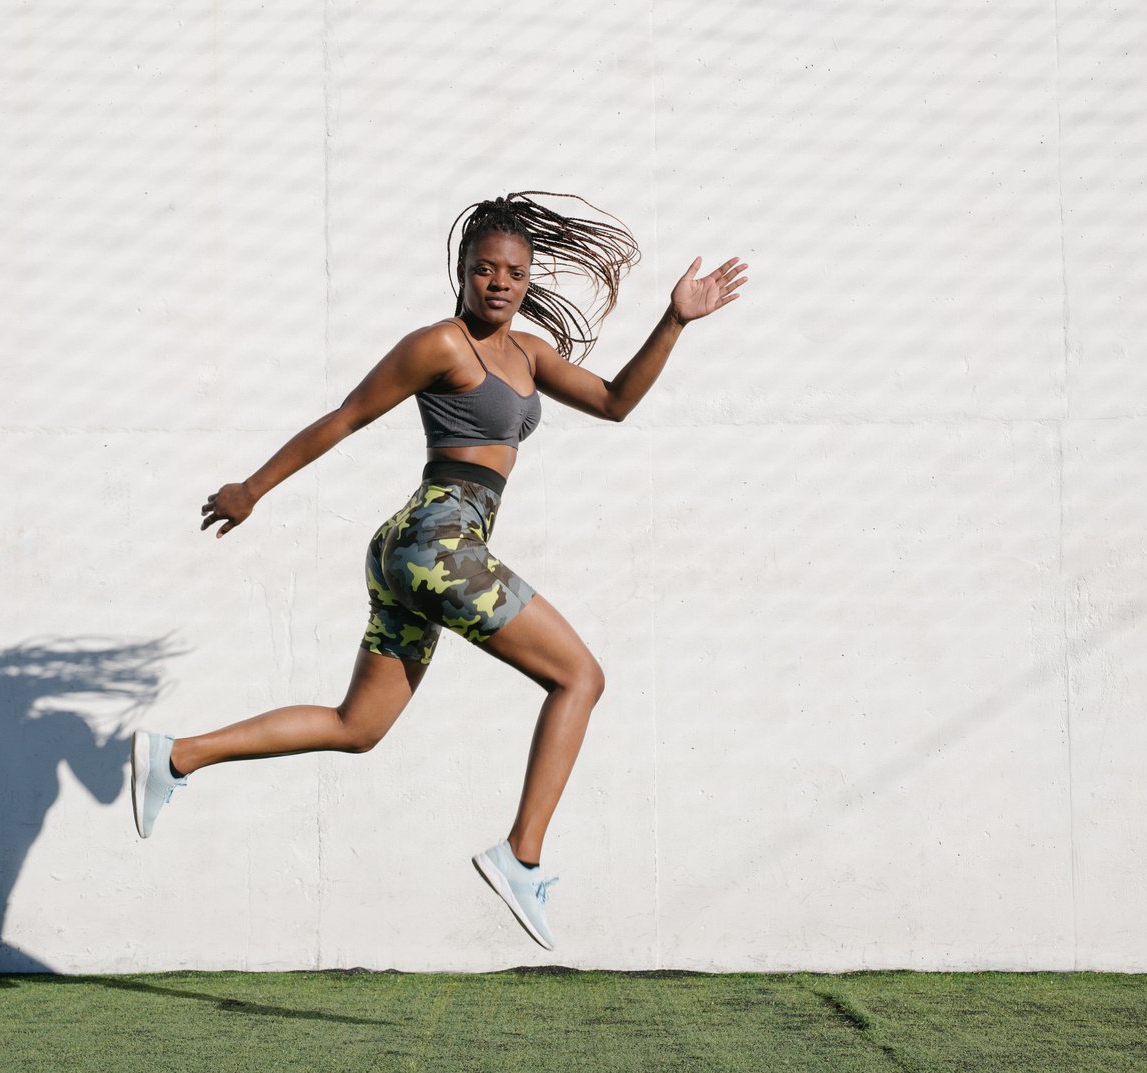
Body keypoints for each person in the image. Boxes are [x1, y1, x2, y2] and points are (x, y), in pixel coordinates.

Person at [132, 191, 747, 950]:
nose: (498, 282)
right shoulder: (439, 345)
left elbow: (616, 401)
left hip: (415, 551)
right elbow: (347, 415)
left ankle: (177, 753)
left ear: (528, 280)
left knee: (357, 727)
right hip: (438, 540)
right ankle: (521, 855)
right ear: (461, 272)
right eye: (484, 269)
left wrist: (675, 319)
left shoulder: (528, 354)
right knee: (579, 677)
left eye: (513, 272)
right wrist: (251, 489)